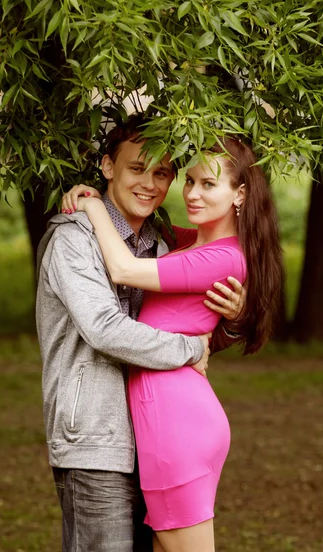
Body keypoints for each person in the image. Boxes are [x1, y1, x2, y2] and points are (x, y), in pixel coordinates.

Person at [36, 115, 245, 552]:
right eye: (136, 168)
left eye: (162, 173)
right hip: (95, 439)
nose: (150, 183)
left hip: (154, 437)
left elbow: (182, 320)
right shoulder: (73, 240)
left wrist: (232, 319)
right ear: (108, 167)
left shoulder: (162, 242)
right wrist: (190, 349)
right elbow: (106, 330)